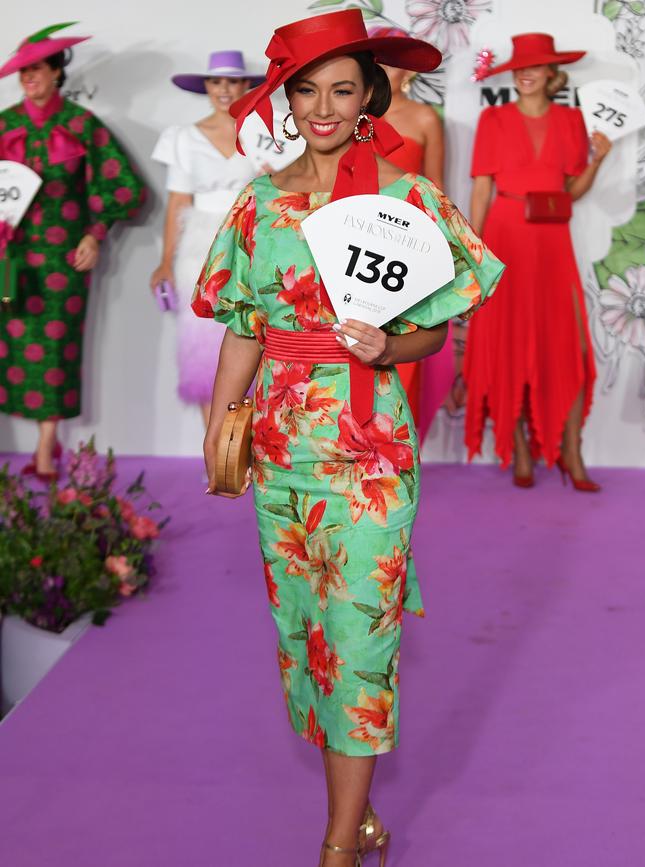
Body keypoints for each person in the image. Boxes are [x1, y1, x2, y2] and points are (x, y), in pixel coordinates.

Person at [193, 10, 504, 865]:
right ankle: (358, 816)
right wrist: (223, 429)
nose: (324, 107)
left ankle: (337, 844)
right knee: (309, 639)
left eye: (342, 89)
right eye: (307, 89)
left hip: (370, 457)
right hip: (283, 454)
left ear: (371, 95)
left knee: (362, 639)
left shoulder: (405, 201)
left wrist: (387, 343)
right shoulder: (260, 203)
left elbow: (433, 335)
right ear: (288, 98)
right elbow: (244, 329)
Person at [464, 33, 611, 491]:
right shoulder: (493, 118)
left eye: (535, 67)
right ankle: (520, 449)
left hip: (552, 242)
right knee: (507, 341)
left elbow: (571, 192)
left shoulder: (571, 121)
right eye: (519, 68)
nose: (525, 73)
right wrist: (475, 250)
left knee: (564, 344)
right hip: (505, 236)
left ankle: (571, 449)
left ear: (552, 74)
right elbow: (483, 188)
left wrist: (599, 161)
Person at [0, 23, 144, 480]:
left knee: (56, 350)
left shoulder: (82, 126)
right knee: (8, 347)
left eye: (36, 69)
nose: (28, 78)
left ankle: (46, 448)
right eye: (23, 71)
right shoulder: (3, 124)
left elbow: (124, 186)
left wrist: (94, 233)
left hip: (64, 262)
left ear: (58, 72)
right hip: (8, 258)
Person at [150, 51, 262, 426]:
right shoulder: (183, 138)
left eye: (233, 81)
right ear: (207, 88)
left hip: (254, 242)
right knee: (202, 345)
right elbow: (177, 202)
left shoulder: (266, 133)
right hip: (199, 248)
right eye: (217, 82)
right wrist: (166, 261)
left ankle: (255, 448)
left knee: (257, 333)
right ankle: (215, 449)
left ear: (246, 85)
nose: (225, 89)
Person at [367, 25, 452, 438]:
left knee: (408, 339)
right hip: (354, 243)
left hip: (407, 246)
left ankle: (400, 443)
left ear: (409, 71)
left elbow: (437, 190)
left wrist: (440, 251)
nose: (380, 66)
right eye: (374, 58)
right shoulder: (350, 115)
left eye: (389, 59)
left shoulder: (424, 118)